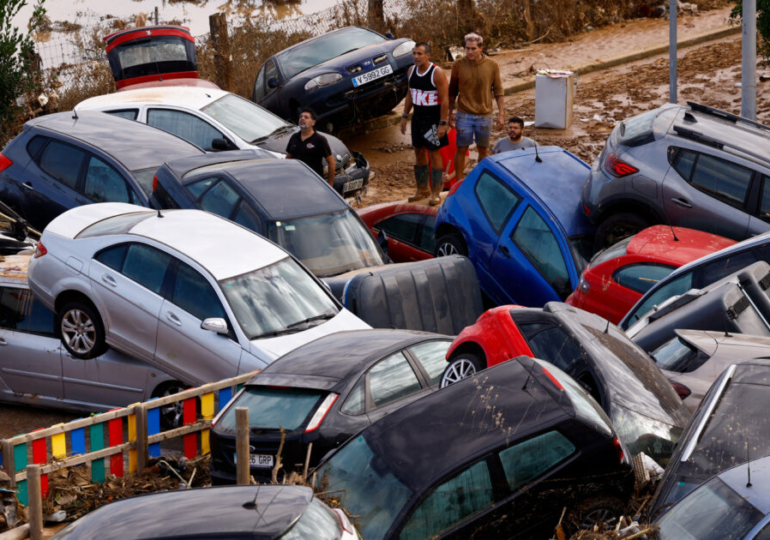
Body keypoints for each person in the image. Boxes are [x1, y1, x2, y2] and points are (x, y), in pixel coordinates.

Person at [448, 33, 505, 182]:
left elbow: (498, 91)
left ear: (481, 48)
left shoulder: (492, 65)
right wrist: (449, 113)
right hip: (464, 114)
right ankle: (459, 182)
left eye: (473, 49)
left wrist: (501, 115)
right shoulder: (458, 65)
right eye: (467, 48)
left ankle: (482, 181)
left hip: (484, 114)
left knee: (483, 150)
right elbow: (452, 91)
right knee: (461, 148)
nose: (470, 52)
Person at [400, 42, 449, 205]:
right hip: (418, 118)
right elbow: (410, 93)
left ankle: (436, 192)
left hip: (432, 120)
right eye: (414, 53)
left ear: (428, 55)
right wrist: (404, 115)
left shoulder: (437, 72)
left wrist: (443, 123)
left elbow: (445, 100)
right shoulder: (411, 71)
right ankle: (422, 189)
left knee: (434, 153)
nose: (416, 57)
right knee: (419, 152)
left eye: (420, 54)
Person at [286, 108, 335, 186]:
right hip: (296, 181)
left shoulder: (320, 139)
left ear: (313, 122)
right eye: (301, 117)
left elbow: (331, 162)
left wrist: (330, 184)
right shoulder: (294, 137)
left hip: (315, 182)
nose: (302, 118)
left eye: (306, 117)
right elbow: (288, 159)